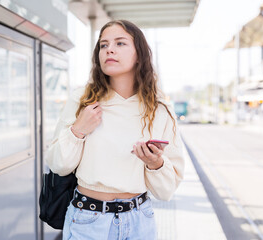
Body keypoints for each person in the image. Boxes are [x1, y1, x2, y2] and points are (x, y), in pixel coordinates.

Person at [45, 19, 185, 240]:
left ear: (139, 54)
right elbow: (58, 165)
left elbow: (166, 191)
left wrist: (154, 163)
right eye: (103, 45)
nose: (109, 49)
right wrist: (78, 129)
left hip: (140, 220)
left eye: (120, 43)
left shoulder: (160, 109)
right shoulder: (83, 99)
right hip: (88, 220)